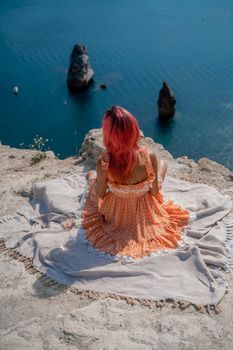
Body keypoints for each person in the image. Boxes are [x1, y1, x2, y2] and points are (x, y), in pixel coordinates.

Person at [64, 106, 190, 259]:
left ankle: (91, 177)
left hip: (116, 216)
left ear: (108, 135)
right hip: (145, 216)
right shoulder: (147, 157)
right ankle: (157, 175)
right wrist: (153, 181)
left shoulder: (105, 161)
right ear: (134, 130)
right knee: (162, 164)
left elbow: (101, 193)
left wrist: (97, 181)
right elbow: (155, 192)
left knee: (91, 175)